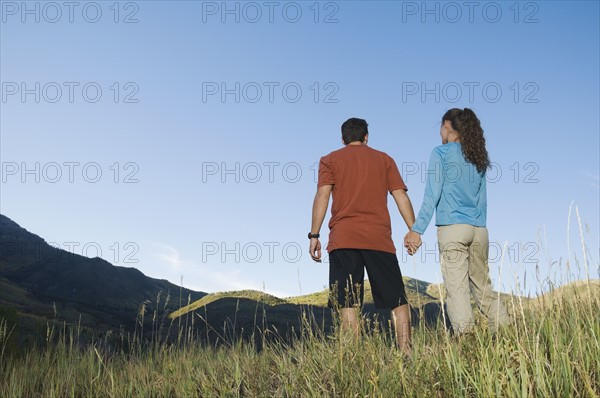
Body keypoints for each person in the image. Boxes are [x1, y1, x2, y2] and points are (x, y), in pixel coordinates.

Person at [309, 117, 417, 353]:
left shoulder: (329, 160)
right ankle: (407, 353)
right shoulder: (385, 159)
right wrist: (413, 229)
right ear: (366, 137)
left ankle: (353, 357)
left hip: (343, 239)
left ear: (343, 138)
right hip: (378, 239)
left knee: (347, 302)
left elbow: (322, 197)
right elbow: (401, 196)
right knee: (397, 299)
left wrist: (314, 234)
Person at [404, 108, 509, 335]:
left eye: (441, 127)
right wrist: (478, 227)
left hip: (453, 229)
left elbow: (432, 195)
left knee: (457, 290)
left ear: (447, 126)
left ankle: (467, 343)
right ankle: (506, 335)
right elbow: (483, 201)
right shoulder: (477, 157)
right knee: (483, 288)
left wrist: (416, 230)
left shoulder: (441, 154)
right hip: (479, 230)